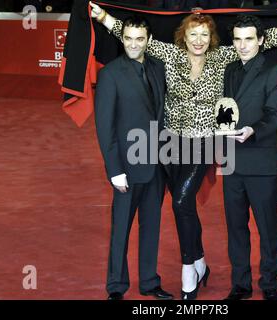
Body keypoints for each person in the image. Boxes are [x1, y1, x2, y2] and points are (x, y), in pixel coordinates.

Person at [90, 1, 277, 300]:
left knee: (180, 201)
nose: (199, 40)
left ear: (211, 37)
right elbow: (133, 37)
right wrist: (102, 16)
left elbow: (262, 41)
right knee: (183, 207)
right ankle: (200, 260)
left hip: (204, 142)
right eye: (193, 35)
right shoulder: (170, 54)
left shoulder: (223, 58)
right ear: (184, 36)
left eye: (204, 35)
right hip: (170, 146)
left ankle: (190, 268)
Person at [94, 15, 173, 300]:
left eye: (139, 39)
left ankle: (150, 282)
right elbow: (105, 127)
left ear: (148, 40)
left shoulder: (158, 67)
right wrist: (114, 169)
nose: (133, 44)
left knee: (151, 228)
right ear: (122, 38)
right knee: (121, 231)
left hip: (157, 166)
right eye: (128, 38)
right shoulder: (110, 74)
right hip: (126, 168)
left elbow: (161, 116)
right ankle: (116, 287)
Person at [222, 15, 277, 300]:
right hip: (231, 161)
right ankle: (241, 285)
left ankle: (269, 285)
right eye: (237, 39)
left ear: (261, 40)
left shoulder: (274, 71)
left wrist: (252, 130)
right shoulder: (229, 70)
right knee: (236, 228)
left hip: (261, 162)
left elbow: (275, 116)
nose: (243, 45)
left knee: (267, 229)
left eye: (249, 39)